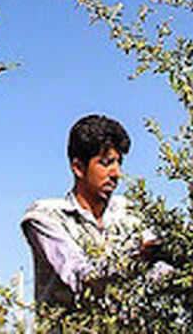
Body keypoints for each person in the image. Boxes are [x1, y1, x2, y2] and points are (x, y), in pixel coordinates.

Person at [20, 114, 168, 312]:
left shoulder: (128, 213)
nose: (116, 174)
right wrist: (139, 258)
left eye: (118, 163)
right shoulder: (45, 217)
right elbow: (81, 277)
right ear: (79, 168)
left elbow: (159, 269)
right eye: (106, 163)